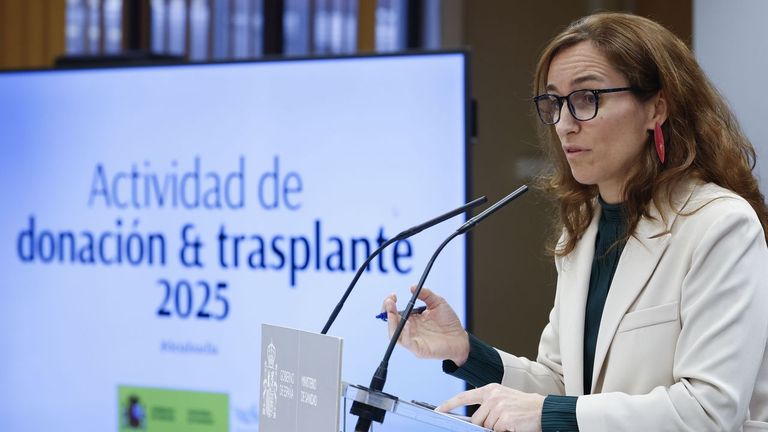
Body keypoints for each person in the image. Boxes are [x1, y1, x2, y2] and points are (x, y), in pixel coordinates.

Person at [382, 12, 768, 432]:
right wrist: (465, 351)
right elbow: (565, 386)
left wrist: (546, 413)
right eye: (554, 103)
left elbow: (710, 411)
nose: (565, 125)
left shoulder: (720, 226)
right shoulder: (584, 229)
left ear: (657, 108)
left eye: (587, 98)